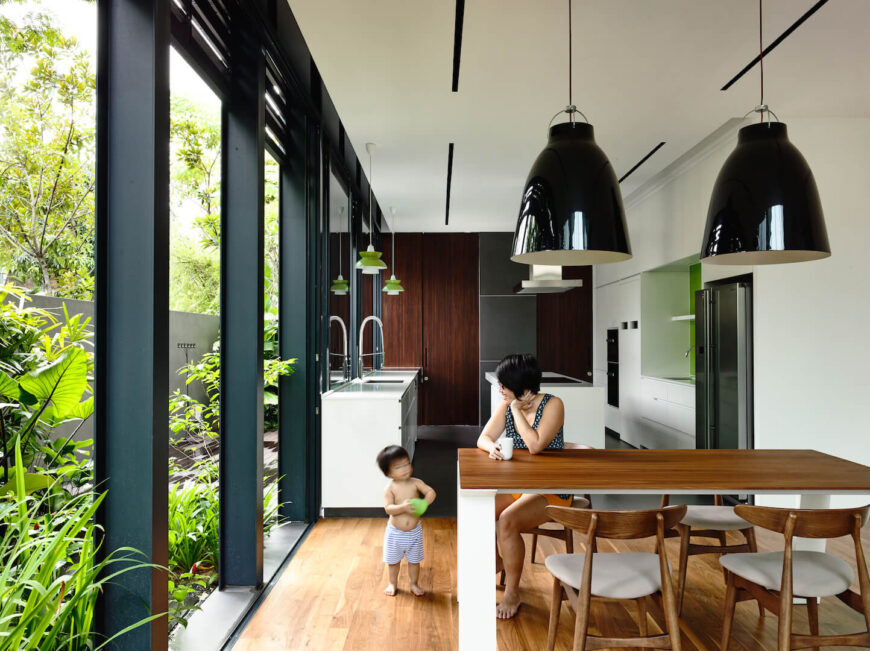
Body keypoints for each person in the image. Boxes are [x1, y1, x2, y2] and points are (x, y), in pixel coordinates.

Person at [476, 353, 569, 619]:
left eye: (504, 384)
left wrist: (516, 410)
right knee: (480, 511)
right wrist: (490, 447)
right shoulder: (505, 404)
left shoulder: (552, 404)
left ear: (523, 387)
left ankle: (512, 592)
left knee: (506, 520)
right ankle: (498, 561)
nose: (499, 389)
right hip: (519, 484)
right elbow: (483, 437)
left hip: (551, 488)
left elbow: (536, 446)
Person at [376, 444, 436, 597]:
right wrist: (402, 507)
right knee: (393, 562)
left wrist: (425, 502)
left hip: (414, 533)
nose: (405, 469)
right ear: (388, 472)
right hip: (395, 533)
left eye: (407, 464)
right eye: (398, 467)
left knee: (414, 561)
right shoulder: (390, 488)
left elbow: (430, 492)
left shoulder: (416, 482)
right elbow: (388, 508)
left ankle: (414, 584)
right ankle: (392, 583)